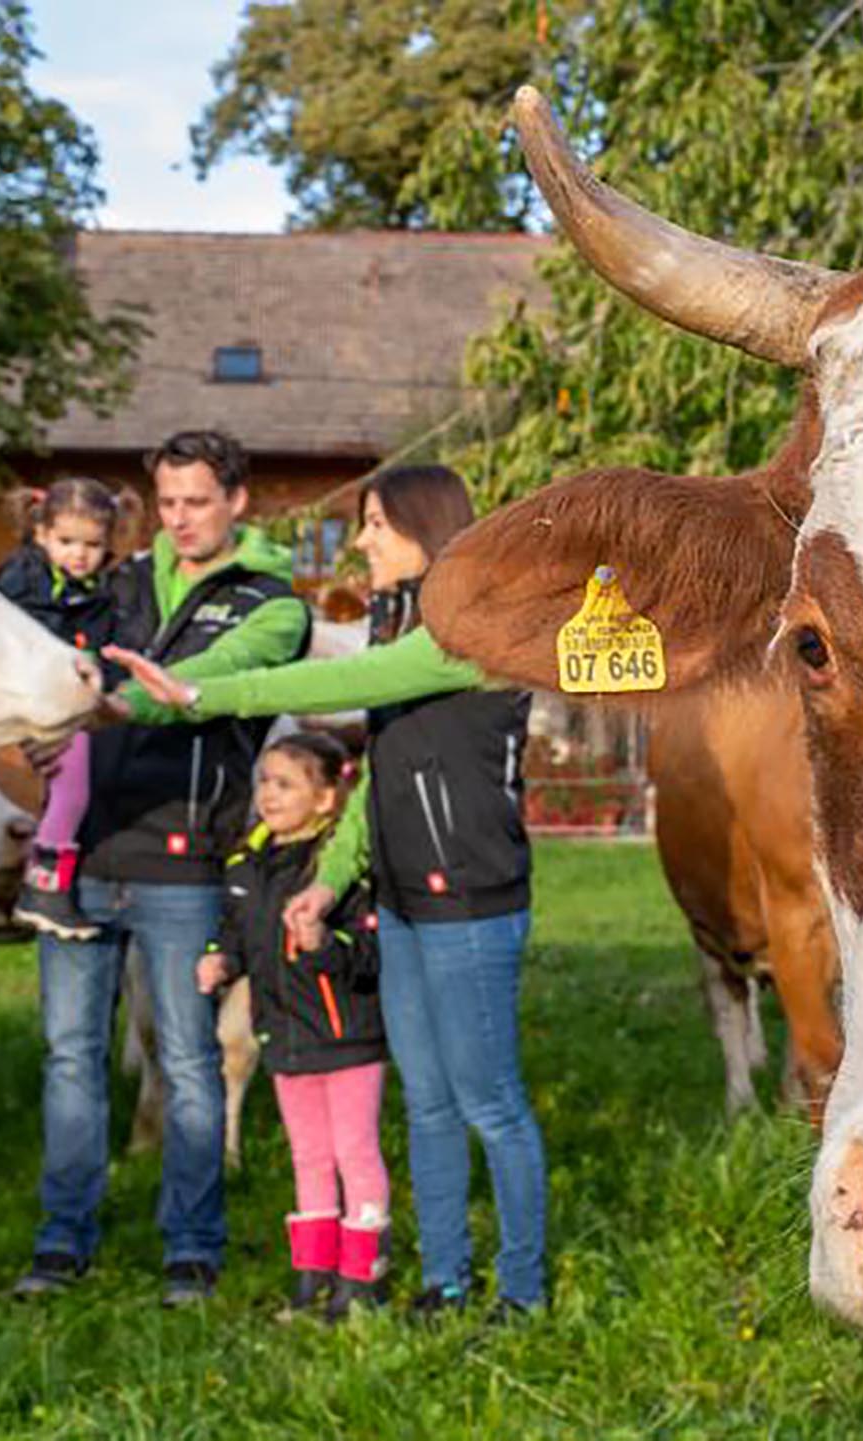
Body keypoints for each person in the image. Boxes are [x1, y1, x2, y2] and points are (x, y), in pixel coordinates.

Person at [109, 465, 549, 1321]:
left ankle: (522, 1291)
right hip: (406, 904)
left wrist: (203, 693)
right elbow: (380, 778)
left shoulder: (473, 630)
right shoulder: (402, 619)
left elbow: (337, 686)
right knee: (425, 1103)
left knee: (489, 1102)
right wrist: (326, 882)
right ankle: (447, 1279)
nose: (360, 542)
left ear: (424, 527)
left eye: (376, 523)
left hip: (470, 901)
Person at [13, 430, 312, 1309]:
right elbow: (40, 638)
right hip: (85, 851)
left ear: (238, 502)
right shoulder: (115, 583)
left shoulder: (272, 605)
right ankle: (63, 1239)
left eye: (198, 502)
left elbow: (209, 680)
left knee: (187, 1059)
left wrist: (110, 705)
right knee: (71, 1054)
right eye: (169, 502)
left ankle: (192, 1247)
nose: (180, 519)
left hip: (184, 863)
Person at [195, 731, 389, 1321]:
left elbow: (370, 955)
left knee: (354, 1152)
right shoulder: (244, 863)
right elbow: (234, 931)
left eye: (286, 784)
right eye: (263, 782)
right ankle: (314, 1277)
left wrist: (326, 944)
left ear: (329, 797)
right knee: (307, 1156)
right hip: (281, 1036)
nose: (268, 795)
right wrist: (220, 960)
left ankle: (363, 1279)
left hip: (345, 1036)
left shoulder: (342, 868)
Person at [0, 480, 141, 939]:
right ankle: (45, 884)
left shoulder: (101, 587)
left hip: (69, 701)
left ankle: (48, 880)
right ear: (41, 535)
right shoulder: (23, 579)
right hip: (30, 699)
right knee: (72, 785)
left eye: (93, 544)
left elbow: (103, 643)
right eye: (67, 542)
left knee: (75, 785)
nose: (80, 554)